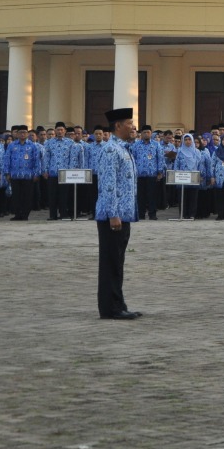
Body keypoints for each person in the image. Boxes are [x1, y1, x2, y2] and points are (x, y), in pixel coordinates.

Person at [96, 108, 141, 320]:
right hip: (113, 217)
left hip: (123, 215)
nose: (133, 127)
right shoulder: (111, 150)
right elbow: (108, 184)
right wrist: (113, 214)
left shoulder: (124, 149)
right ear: (118, 126)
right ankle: (110, 308)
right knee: (110, 262)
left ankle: (118, 303)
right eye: (130, 123)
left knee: (118, 261)